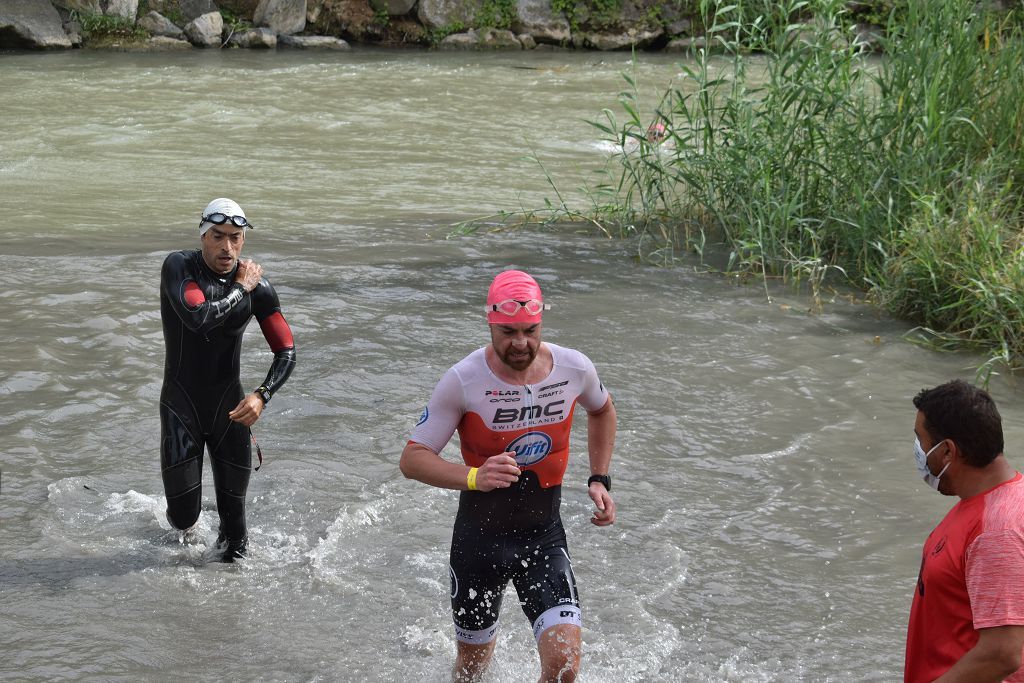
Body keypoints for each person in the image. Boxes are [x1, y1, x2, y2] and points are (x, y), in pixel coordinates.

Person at [400, 269, 617, 682]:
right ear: (490, 324)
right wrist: (473, 476)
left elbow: (602, 409)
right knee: (471, 671)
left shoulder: (574, 368)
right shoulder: (463, 380)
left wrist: (599, 478)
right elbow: (412, 459)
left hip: (543, 536)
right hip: (480, 542)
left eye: (530, 331)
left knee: (565, 667)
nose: (521, 343)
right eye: (509, 332)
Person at [159, 198, 296, 562]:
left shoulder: (259, 289)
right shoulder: (179, 267)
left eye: (235, 238)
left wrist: (262, 395)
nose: (227, 247)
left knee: (236, 537)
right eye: (218, 236)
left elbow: (286, 351)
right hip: (181, 407)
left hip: (230, 410)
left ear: (243, 240)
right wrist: (241, 287)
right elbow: (199, 317)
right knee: (183, 516)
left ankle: (229, 610)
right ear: (203, 236)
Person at [905, 379, 1024, 682]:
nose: (918, 450)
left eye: (921, 440)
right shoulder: (994, 500)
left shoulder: (996, 532)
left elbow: (1003, 653)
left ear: (947, 452)